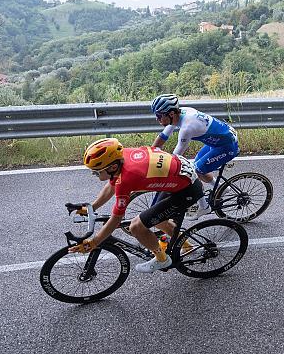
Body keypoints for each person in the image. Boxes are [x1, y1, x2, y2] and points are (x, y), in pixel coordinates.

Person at [67, 138, 203, 273]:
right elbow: (111, 185)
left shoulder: (127, 179)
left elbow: (116, 218)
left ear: (113, 167)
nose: (94, 174)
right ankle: (185, 244)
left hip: (186, 190)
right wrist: (92, 207)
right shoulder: (121, 157)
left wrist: (94, 242)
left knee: (136, 227)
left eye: (96, 171)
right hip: (181, 176)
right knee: (158, 221)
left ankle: (162, 260)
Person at [150, 94, 240, 220]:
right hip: (219, 141)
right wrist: (150, 153)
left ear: (170, 114)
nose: (157, 119)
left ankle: (204, 207)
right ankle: (220, 188)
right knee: (196, 168)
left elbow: (176, 156)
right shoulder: (179, 114)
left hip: (227, 146)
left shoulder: (187, 127)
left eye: (159, 115)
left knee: (194, 171)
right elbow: (163, 137)